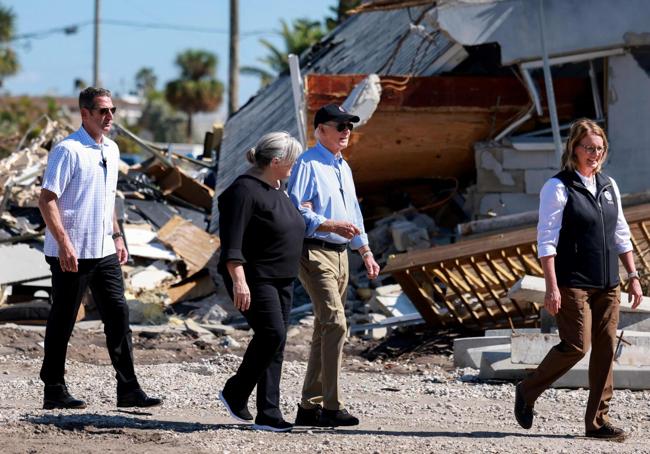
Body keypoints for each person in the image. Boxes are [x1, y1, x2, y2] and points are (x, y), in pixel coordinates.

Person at [513, 118, 643, 441]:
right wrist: (552, 286)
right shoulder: (557, 188)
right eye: (588, 148)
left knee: (605, 347)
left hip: (608, 283)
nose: (594, 154)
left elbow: (621, 235)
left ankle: (597, 422)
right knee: (576, 345)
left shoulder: (609, 186)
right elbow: (546, 240)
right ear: (574, 148)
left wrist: (634, 276)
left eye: (599, 149)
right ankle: (527, 390)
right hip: (572, 282)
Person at [38, 87, 161, 410]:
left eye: (112, 111)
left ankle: (129, 388)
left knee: (118, 314)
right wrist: (64, 243)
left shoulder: (113, 149)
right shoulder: (68, 150)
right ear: (85, 113)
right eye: (102, 111)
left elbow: (109, 200)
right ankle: (53, 388)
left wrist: (118, 237)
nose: (109, 117)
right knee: (64, 319)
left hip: (103, 249)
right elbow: (47, 198)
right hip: (72, 252)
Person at [288, 103, 381, 427]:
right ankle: (332, 406)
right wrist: (327, 224)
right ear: (320, 130)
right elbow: (293, 209)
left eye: (349, 126)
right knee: (337, 324)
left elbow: (353, 215)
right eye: (339, 125)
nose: (346, 132)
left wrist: (365, 251)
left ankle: (307, 407)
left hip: (342, 255)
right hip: (314, 252)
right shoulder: (307, 163)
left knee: (324, 328)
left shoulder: (344, 167)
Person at [217, 131, 305, 432]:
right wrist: (239, 280)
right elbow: (232, 242)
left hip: (282, 278)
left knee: (276, 343)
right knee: (270, 335)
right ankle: (235, 391)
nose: (295, 164)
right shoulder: (243, 191)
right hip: (255, 279)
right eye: (292, 159)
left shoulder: (277, 188)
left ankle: (269, 413)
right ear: (277, 161)